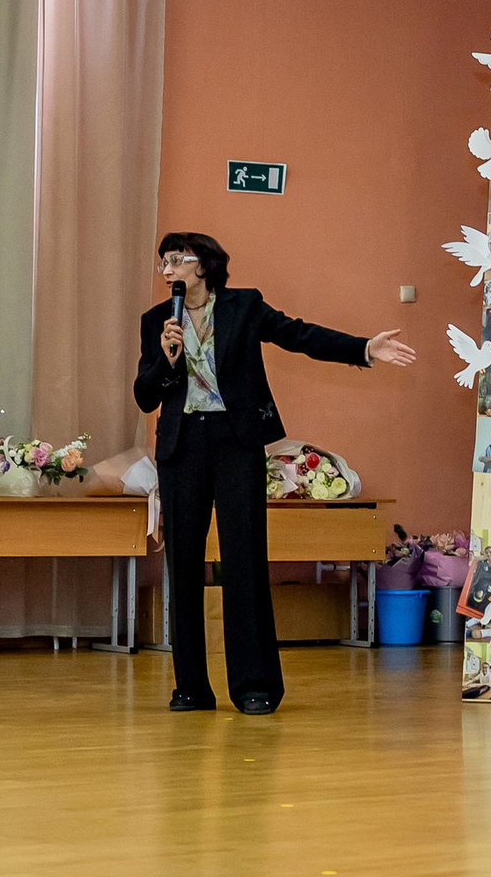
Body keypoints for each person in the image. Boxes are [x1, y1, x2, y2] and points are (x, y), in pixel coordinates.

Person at [134, 232, 415, 715]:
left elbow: (301, 335)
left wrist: (365, 348)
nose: (167, 269)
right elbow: (145, 395)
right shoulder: (157, 321)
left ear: (204, 265)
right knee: (182, 565)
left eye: (177, 260)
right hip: (181, 448)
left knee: (244, 559)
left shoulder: (243, 307)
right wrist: (166, 358)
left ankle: (254, 686)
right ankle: (191, 689)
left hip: (236, 442)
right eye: (163, 262)